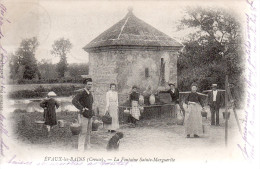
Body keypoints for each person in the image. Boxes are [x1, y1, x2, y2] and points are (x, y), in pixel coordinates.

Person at [72, 78, 94, 151]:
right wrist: (82, 108)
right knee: (83, 132)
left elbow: (91, 103)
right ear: (85, 84)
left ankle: (87, 146)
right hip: (83, 115)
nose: (90, 86)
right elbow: (74, 101)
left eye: (91, 84)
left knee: (89, 132)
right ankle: (80, 148)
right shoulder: (81, 92)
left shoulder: (90, 93)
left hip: (90, 114)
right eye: (88, 84)